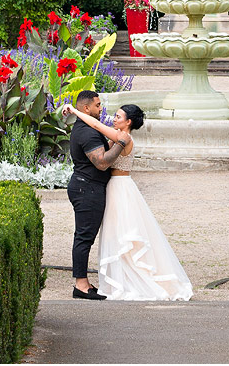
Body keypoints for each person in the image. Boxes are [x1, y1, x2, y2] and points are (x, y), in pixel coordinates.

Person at [69, 101, 193, 301]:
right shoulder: (119, 135)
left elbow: (97, 126)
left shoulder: (123, 137)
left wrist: (74, 110)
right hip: (116, 186)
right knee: (117, 234)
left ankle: (127, 279)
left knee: (123, 234)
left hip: (120, 187)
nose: (114, 118)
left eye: (118, 117)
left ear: (128, 122)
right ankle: (121, 276)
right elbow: (97, 127)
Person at [64, 89, 131, 300]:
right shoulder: (87, 132)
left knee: (85, 236)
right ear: (86, 108)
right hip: (87, 189)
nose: (101, 109)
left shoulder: (88, 128)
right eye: (97, 105)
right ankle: (81, 285)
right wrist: (120, 143)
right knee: (84, 236)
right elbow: (101, 163)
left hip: (88, 187)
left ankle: (83, 282)